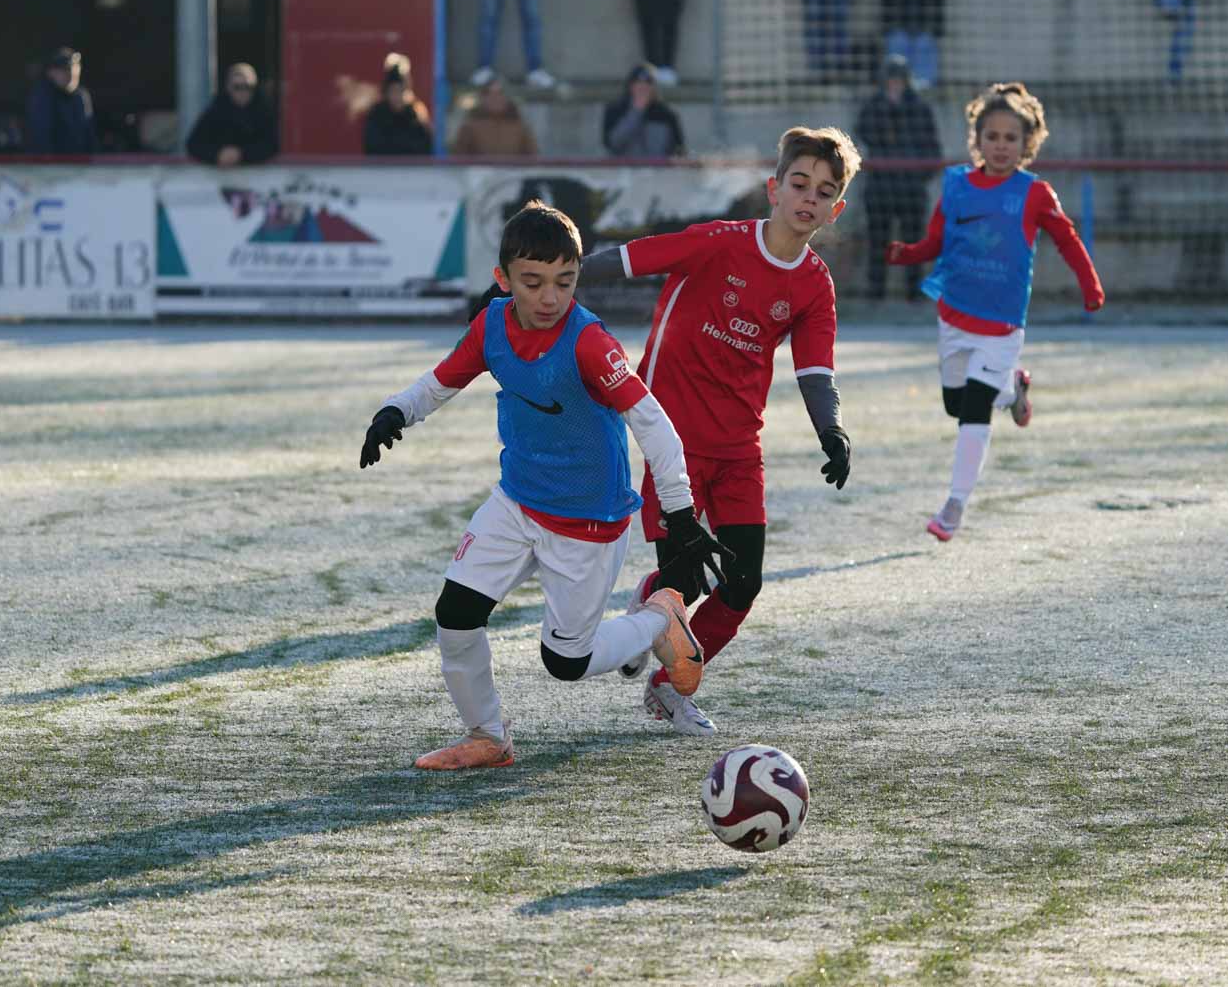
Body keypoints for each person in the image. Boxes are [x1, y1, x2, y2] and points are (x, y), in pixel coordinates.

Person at [360, 200, 731, 771]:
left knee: (566, 663)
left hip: (588, 523)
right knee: (455, 614)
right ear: (502, 280)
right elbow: (439, 382)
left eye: (565, 281)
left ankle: (658, 618)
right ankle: (488, 736)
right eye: (532, 283)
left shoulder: (590, 342)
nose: (550, 297)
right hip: (516, 503)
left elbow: (652, 422)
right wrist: (396, 411)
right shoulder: (491, 326)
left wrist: (680, 515)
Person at [577, 126, 861, 737]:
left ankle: (662, 680)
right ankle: (656, 623)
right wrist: (554, 279)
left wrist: (831, 430)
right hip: (670, 437)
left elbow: (815, 369)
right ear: (774, 188)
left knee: (742, 582)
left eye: (825, 191)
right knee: (684, 582)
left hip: (738, 444)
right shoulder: (717, 243)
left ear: (836, 209)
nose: (809, 197)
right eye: (800, 183)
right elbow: (630, 259)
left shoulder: (814, 284)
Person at [885, 83, 1105, 542]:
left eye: (1011, 138)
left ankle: (953, 507)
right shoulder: (956, 185)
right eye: (992, 136)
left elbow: (1067, 240)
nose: (1001, 145)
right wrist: (907, 254)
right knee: (956, 404)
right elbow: (935, 241)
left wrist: (1090, 285)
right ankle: (1014, 391)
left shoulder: (1035, 193)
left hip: (1002, 326)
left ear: (1028, 144)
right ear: (977, 139)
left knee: (973, 410)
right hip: (954, 315)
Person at [854, 54, 941, 300]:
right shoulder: (872, 107)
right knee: (878, 242)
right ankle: (875, 294)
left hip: (910, 188)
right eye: (891, 80)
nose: (895, 85)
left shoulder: (920, 108)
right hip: (880, 187)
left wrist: (920, 177)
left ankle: (912, 294)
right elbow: (863, 138)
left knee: (912, 242)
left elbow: (932, 148)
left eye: (899, 80)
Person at [185, 63, 278, 167]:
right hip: (218, 178)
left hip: (257, 178)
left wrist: (241, 154)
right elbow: (194, 144)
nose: (243, 92)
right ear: (228, 87)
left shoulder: (263, 113)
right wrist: (217, 154)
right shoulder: (216, 111)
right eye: (237, 87)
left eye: (248, 87)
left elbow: (272, 144)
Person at [25, 47, 98, 155]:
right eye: (63, 69)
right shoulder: (42, 96)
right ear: (50, 72)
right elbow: (41, 139)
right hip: (51, 167)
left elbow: (89, 136)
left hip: (81, 166)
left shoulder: (82, 96)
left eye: (74, 67)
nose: (71, 73)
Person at [602, 64, 685, 158]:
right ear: (630, 86)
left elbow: (679, 151)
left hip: (659, 172)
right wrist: (636, 112)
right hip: (623, 171)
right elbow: (612, 144)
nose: (643, 87)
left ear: (654, 88)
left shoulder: (667, 115)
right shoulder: (614, 111)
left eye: (648, 83)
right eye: (638, 83)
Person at [363, 53, 434, 156]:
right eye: (393, 91)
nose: (397, 96)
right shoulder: (376, 114)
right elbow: (372, 147)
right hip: (382, 170)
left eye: (400, 91)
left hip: (411, 170)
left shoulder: (417, 112)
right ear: (386, 92)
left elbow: (425, 146)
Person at [451, 75, 538, 156]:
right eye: (490, 94)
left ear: (506, 98)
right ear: (483, 98)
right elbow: (458, 158)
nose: (495, 98)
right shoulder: (469, 127)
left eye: (499, 94)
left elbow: (533, 157)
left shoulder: (520, 128)